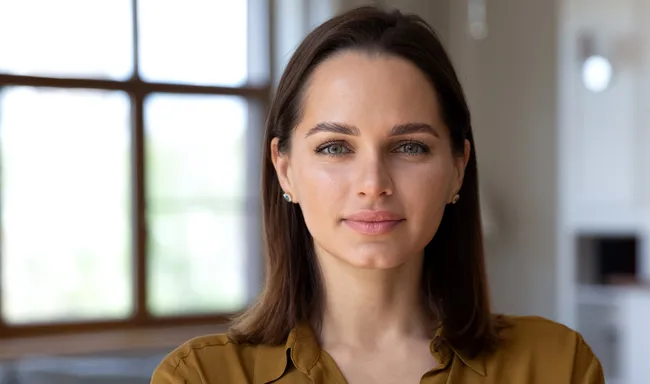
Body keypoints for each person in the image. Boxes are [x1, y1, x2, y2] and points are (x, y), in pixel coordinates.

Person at [151, 5, 604, 384]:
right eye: (335, 147)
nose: (373, 182)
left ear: (457, 169)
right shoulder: (200, 377)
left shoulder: (556, 366)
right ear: (284, 169)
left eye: (410, 147)